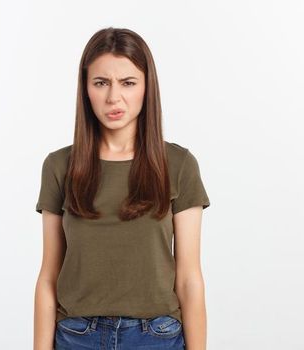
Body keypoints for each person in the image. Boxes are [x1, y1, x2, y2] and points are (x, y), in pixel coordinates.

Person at [33, 27, 211, 350]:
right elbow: (48, 276)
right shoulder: (60, 167)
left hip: (156, 337)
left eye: (128, 83)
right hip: (77, 337)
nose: (113, 97)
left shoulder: (179, 165)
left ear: (146, 87)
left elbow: (189, 280)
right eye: (101, 83)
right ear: (86, 88)